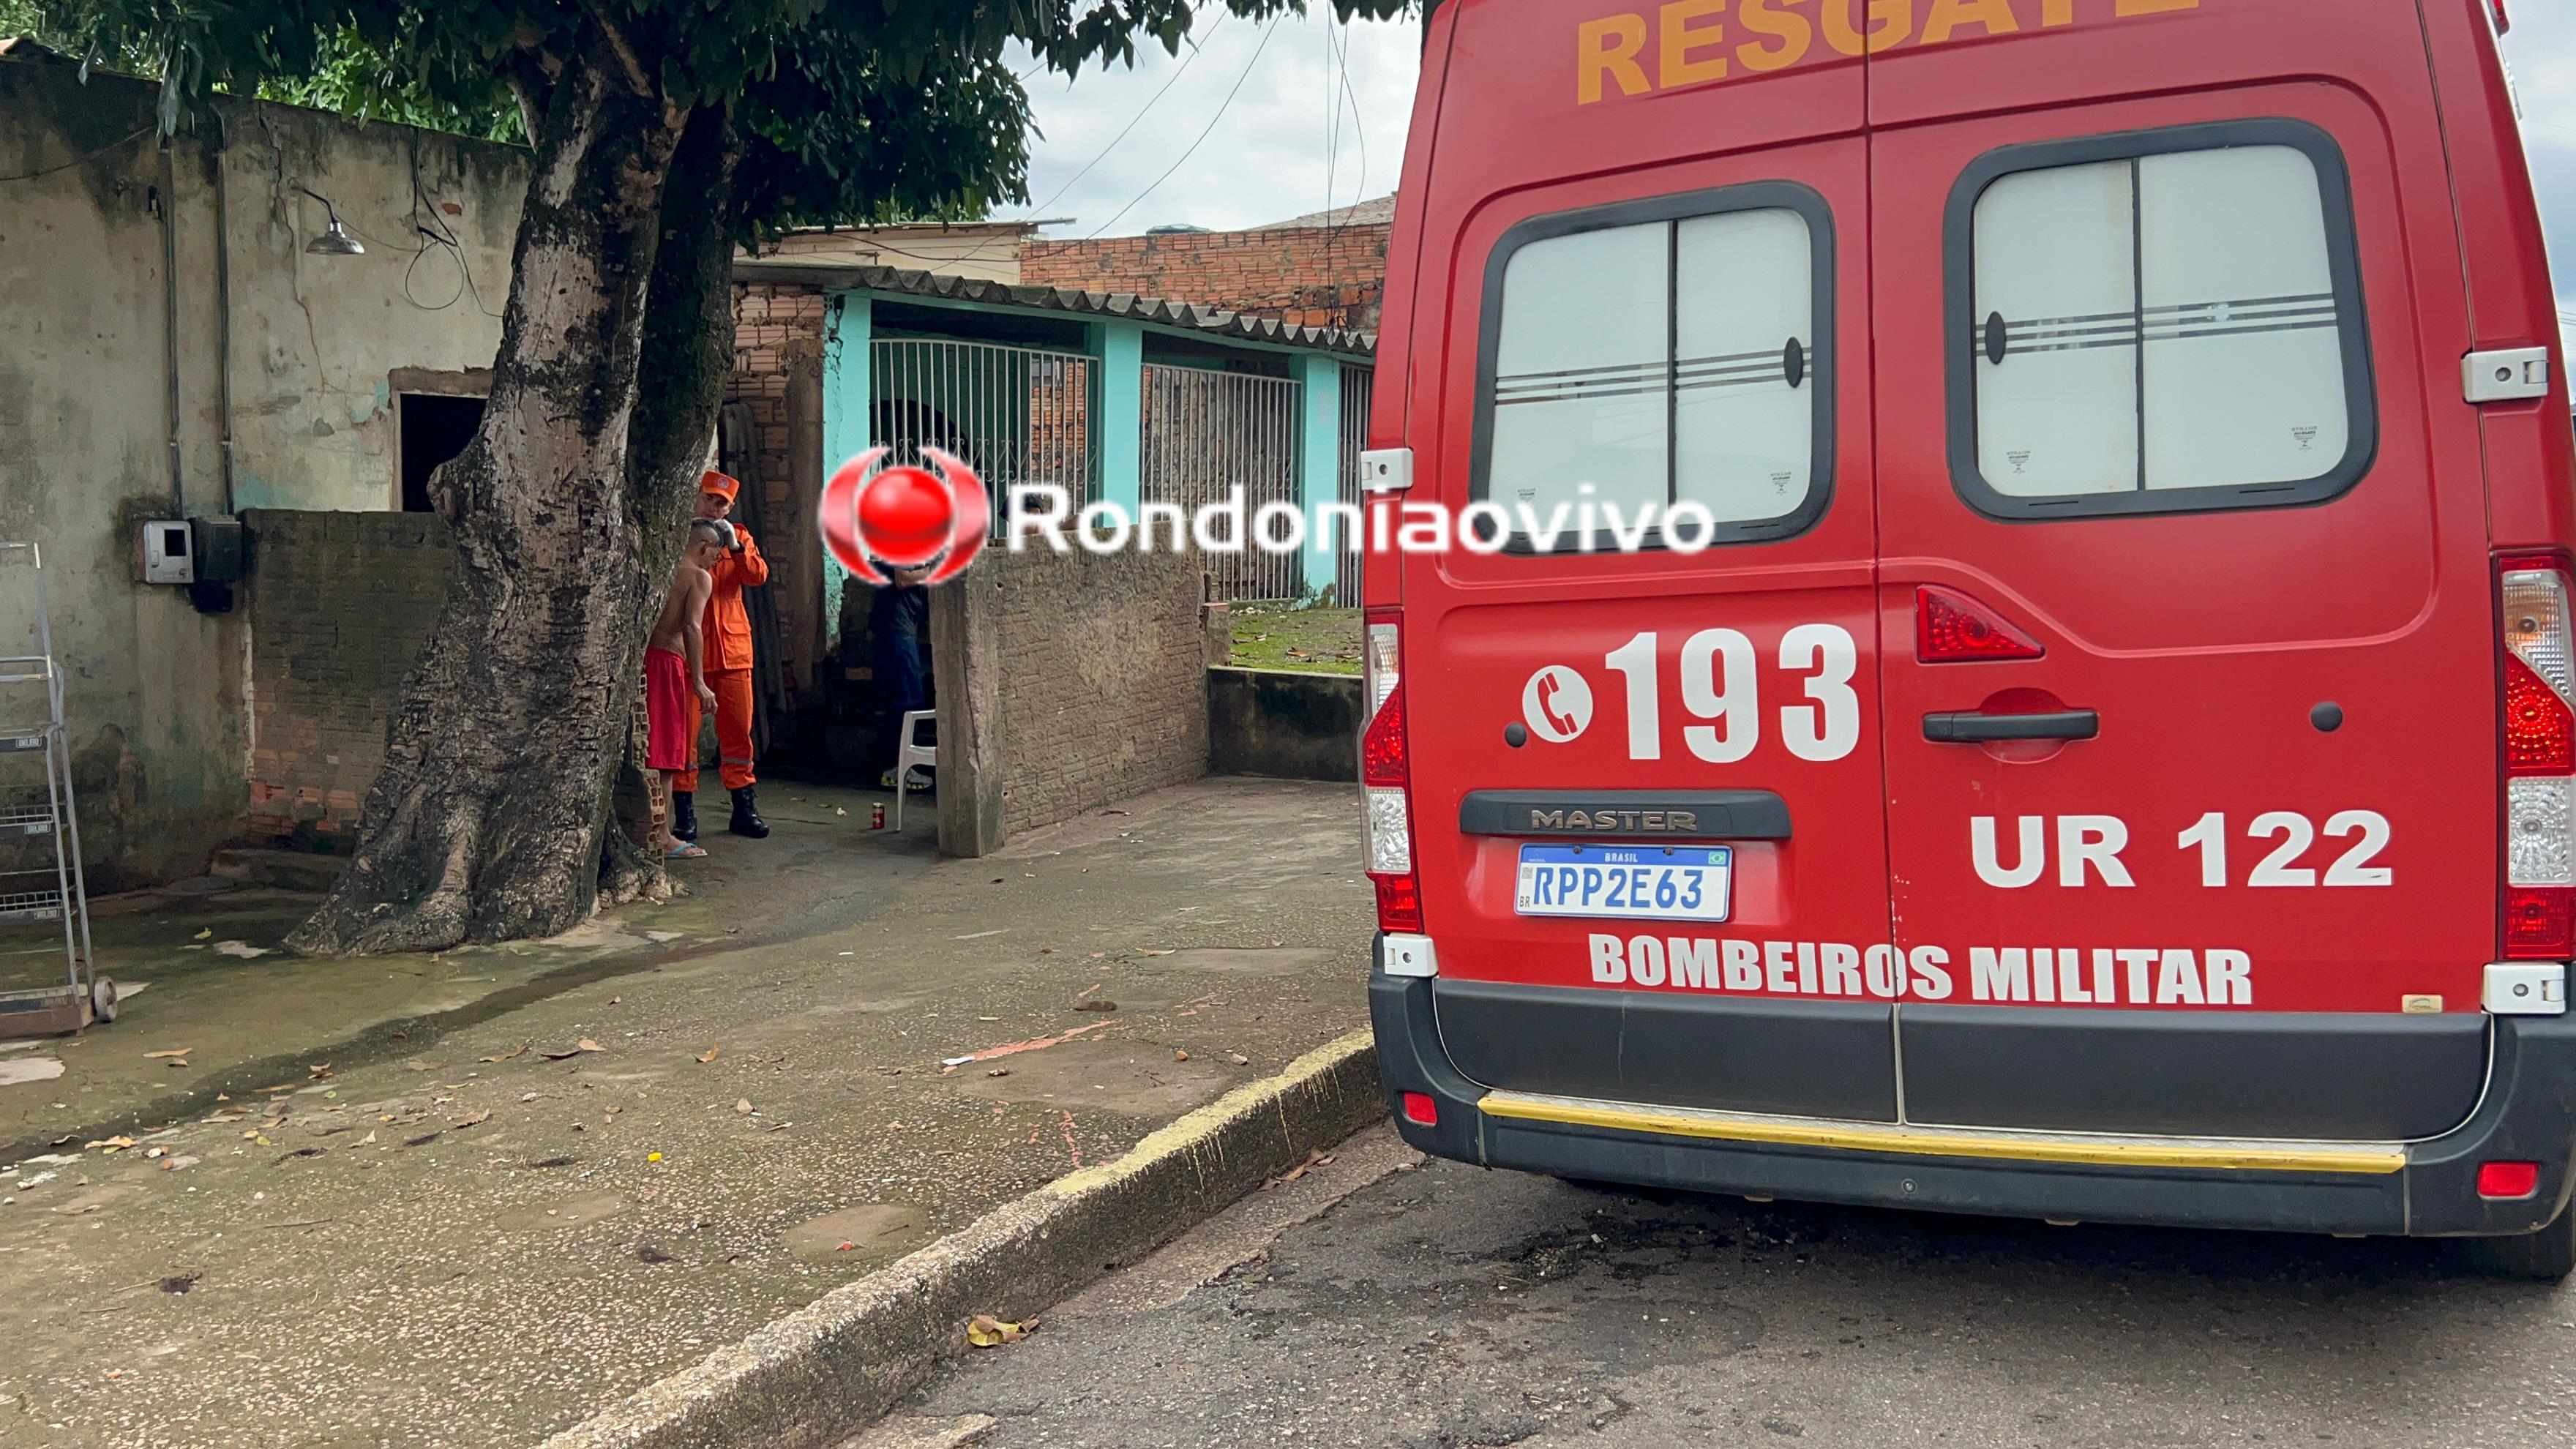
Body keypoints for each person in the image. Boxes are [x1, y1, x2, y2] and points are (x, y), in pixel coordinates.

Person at [676, 470, 772, 840]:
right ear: (696, 498)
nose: (715, 508)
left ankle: (743, 807)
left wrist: (734, 544)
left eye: (722, 503)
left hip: (733, 650)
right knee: (685, 736)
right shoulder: (683, 537)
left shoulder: (741, 537)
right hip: (690, 651)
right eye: (709, 499)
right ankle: (685, 814)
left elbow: (757, 577)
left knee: (737, 735)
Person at [646, 520, 727, 860]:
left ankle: (649, 829)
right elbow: (693, 628)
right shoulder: (698, 577)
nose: (715, 565)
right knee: (665, 754)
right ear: (705, 547)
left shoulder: (661, 568)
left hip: (645, 660)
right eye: (717, 557)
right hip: (666, 664)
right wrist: (698, 681)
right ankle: (663, 836)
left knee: (648, 749)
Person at [872, 562, 934, 792]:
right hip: (896, 629)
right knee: (908, 700)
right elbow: (903, 579)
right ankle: (898, 769)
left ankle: (896, 768)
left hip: (900, 628)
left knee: (903, 698)